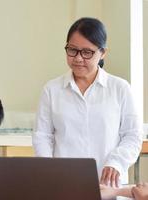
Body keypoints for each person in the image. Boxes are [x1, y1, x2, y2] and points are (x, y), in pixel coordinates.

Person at [32, 17, 142, 186]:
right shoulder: (52, 90)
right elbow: (42, 136)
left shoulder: (120, 88)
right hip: (63, 183)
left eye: (87, 52)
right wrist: (49, 169)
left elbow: (132, 136)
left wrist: (117, 163)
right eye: (72, 50)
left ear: (102, 52)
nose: (78, 58)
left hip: (107, 185)